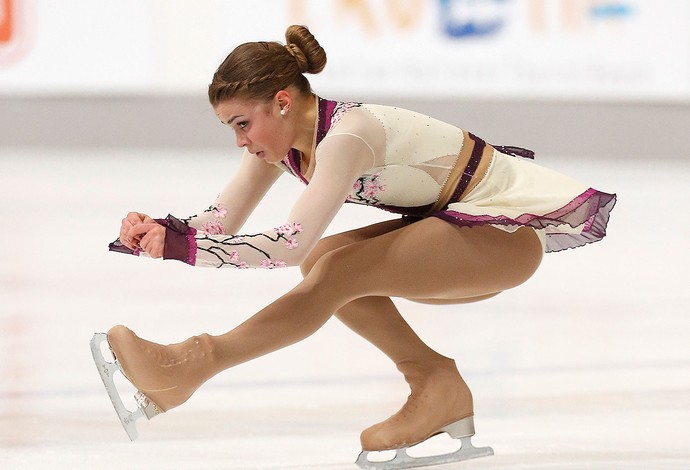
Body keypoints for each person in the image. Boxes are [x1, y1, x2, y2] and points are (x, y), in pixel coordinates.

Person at [93, 25, 616, 468]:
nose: (239, 141)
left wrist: (182, 250)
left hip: (500, 237)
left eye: (242, 124)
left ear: (282, 103)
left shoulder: (348, 135)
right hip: (454, 230)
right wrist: (163, 230)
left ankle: (193, 364)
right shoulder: (282, 139)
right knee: (329, 263)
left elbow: (290, 244)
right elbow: (222, 221)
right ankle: (437, 385)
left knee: (332, 269)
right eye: (230, 127)